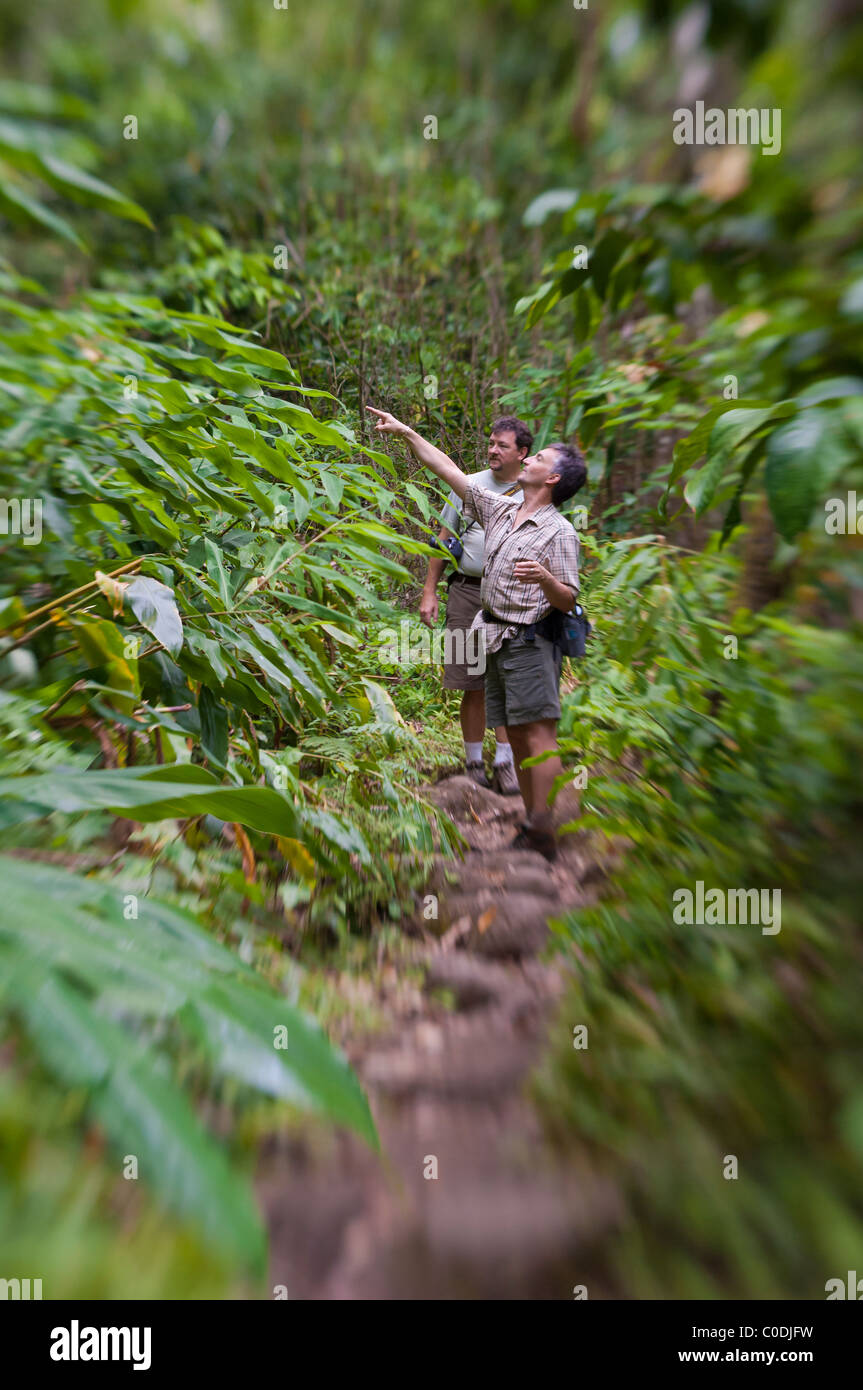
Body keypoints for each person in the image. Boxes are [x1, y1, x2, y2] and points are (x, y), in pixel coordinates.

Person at [367, 406, 586, 861]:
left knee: (537, 736)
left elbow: (568, 599)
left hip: (531, 641)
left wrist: (546, 580)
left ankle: (544, 825)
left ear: (552, 479)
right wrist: (407, 432)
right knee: (519, 734)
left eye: (537, 458)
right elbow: (447, 469)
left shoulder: (561, 533)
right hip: (495, 636)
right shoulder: (502, 509)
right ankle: (532, 821)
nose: (527, 460)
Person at [419, 416, 533, 795]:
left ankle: (506, 763)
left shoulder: (532, 490)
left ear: (522, 453)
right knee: (472, 680)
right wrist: (430, 591)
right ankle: (472, 763)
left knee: (508, 680)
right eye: (490, 443)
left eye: (502, 445)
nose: (492, 450)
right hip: (468, 591)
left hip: (512, 598)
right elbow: (443, 539)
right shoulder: (468, 484)